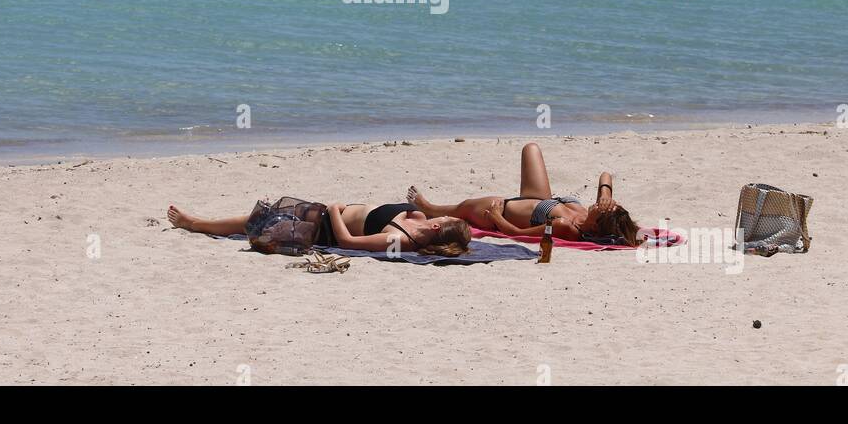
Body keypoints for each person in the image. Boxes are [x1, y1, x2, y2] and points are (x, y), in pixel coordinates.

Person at [407, 142, 642, 245]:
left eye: (601, 209)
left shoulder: (567, 227)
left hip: (507, 210)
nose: (598, 205)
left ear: (597, 225)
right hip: (541, 199)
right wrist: (605, 193)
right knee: (531, 148)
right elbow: (605, 174)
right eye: (605, 204)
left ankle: (429, 208)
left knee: (465, 207)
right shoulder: (590, 214)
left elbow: (520, 234)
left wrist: (497, 217)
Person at [166, 199, 472, 256]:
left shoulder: (399, 240)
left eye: (446, 221)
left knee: (257, 224)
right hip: (325, 212)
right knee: (268, 212)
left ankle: (194, 224)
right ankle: (198, 222)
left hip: (323, 228)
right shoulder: (418, 220)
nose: (441, 217)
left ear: (436, 230)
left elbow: (348, 242)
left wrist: (337, 210)